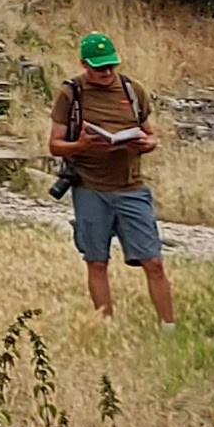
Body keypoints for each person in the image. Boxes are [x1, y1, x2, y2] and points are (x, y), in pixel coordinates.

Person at [50, 28, 177, 324]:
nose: (106, 72)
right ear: (84, 65)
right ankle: (105, 326)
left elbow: (151, 135)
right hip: (89, 187)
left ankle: (169, 327)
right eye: (99, 68)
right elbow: (54, 145)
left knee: (153, 261)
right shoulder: (71, 94)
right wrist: (81, 146)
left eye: (111, 65)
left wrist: (146, 144)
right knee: (96, 261)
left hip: (131, 187)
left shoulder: (133, 91)